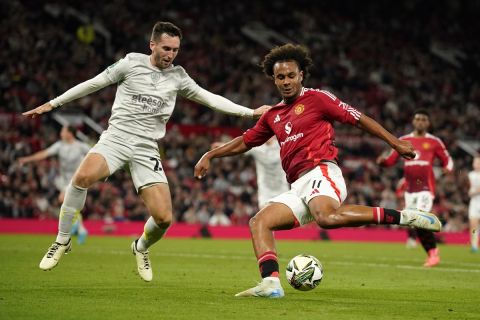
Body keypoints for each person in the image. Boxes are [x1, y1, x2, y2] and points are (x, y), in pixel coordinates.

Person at [22, 21, 269, 282]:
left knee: (163, 218)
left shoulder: (178, 77)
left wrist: (250, 112)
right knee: (82, 178)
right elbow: (93, 84)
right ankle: (62, 240)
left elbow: (209, 98)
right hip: (116, 139)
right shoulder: (130, 63)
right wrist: (53, 104)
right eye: (166, 48)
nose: (170, 54)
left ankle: (140, 247)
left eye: (175, 50)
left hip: (146, 148)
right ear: (152, 45)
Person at [194, 44, 442, 298]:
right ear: (274, 79)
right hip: (298, 186)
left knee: (326, 217)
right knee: (259, 222)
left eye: (291, 75)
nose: (286, 81)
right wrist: (211, 154)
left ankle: (404, 217)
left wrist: (395, 142)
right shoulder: (273, 115)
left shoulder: (317, 98)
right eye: (281, 77)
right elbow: (246, 141)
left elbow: (358, 118)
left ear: (301, 74)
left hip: (322, 172)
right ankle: (271, 283)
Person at [377, 110, 453, 267]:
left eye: (423, 119)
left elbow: (447, 159)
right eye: (417, 118)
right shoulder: (404, 140)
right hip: (410, 190)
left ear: (428, 123)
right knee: (413, 222)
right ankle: (432, 252)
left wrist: (448, 168)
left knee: (420, 219)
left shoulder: (434, 141)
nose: (420, 122)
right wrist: (383, 162)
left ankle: (433, 253)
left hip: (426, 187)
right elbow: (391, 160)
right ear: (413, 121)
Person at [17, 125, 91, 244]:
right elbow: (44, 154)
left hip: (76, 179)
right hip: (63, 180)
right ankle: (80, 228)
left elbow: (95, 154)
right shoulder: (59, 145)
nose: (61, 133)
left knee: (63, 199)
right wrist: (27, 159)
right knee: (68, 203)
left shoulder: (81, 147)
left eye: (63, 131)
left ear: (70, 133)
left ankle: (77, 227)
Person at [213, 136, 289, 209]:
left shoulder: (282, 145)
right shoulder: (257, 147)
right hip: (265, 191)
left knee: (285, 220)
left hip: (282, 190)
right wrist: (221, 146)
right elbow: (238, 147)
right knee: (265, 220)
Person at [468, 156, 480, 252]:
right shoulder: (470, 175)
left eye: (478, 163)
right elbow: (468, 190)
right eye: (475, 162)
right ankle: (474, 245)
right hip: (474, 203)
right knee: (473, 225)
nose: (476, 164)